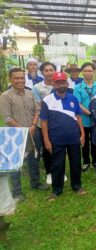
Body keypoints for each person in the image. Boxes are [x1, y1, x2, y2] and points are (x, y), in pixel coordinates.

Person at [0, 68, 49, 202]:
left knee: (34, 157)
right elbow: (7, 118)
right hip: (15, 134)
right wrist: (23, 130)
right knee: (15, 163)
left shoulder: (29, 93)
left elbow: (37, 110)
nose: (20, 80)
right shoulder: (5, 96)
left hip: (33, 130)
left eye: (22, 78)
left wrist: (33, 126)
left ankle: (36, 182)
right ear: (10, 79)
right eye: (17, 78)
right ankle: (17, 192)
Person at [41, 72, 86, 201]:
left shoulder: (73, 98)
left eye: (63, 82)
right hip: (56, 139)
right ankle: (57, 190)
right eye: (58, 82)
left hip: (73, 137)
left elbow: (78, 117)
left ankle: (77, 186)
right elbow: (44, 122)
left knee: (76, 163)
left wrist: (82, 133)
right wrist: (46, 140)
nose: (61, 85)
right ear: (53, 84)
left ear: (67, 83)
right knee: (57, 164)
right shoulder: (47, 100)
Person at [32, 62, 57, 185]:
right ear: (42, 72)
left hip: (58, 123)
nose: (49, 72)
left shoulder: (60, 84)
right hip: (44, 123)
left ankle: (60, 171)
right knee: (47, 148)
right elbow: (38, 106)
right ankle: (49, 173)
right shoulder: (37, 87)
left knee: (59, 147)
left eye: (51, 70)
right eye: (46, 70)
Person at [73, 62, 96, 171]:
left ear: (94, 72)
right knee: (84, 141)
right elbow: (77, 103)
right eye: (85, 71)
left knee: (95, 141)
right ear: (82, 72)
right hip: (83, 120)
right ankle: (86, 162)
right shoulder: (78, 87)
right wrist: (89, 113)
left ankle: (95, 160)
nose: (88, 73)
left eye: (90, 70)